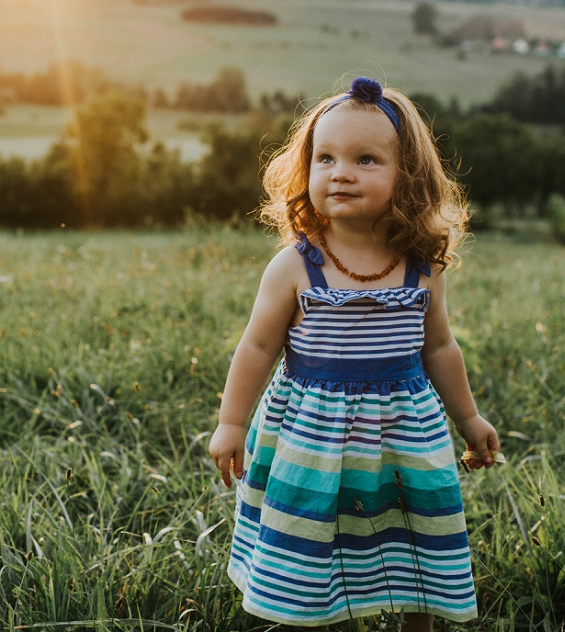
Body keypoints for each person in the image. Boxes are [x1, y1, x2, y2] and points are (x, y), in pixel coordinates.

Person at [208, 76, 500, 632]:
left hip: (404, 434)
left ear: (407, 177)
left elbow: (439, 346)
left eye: (366, 159)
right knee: (321, 538)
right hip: (314, 435)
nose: (340, 172)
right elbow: (258, 345)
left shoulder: (422, 264)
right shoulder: (296, 266)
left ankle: (421, 622)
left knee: (416, 535)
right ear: (307, 169)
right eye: (325, 158)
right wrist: (230, 422)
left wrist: (469, 418)